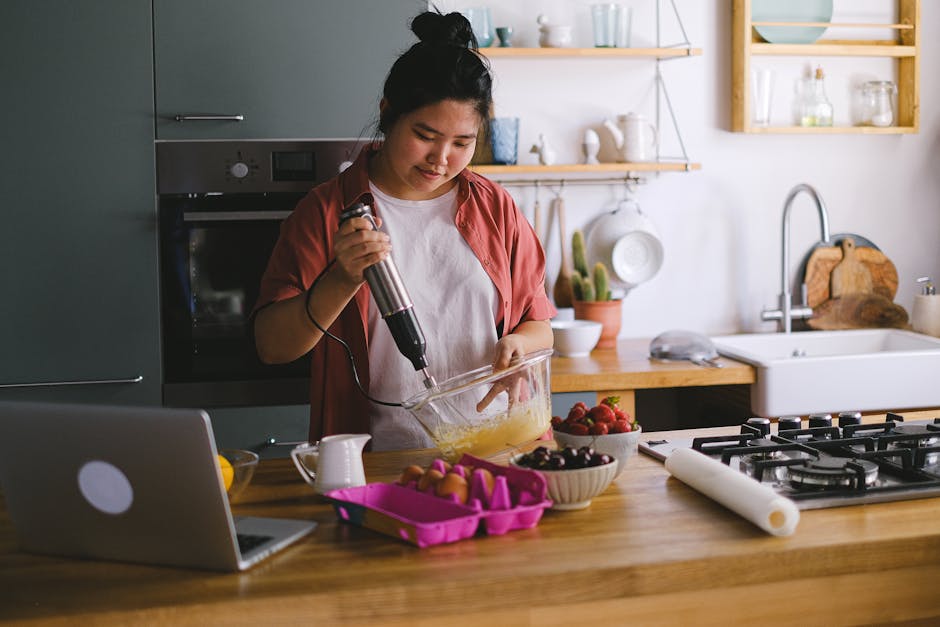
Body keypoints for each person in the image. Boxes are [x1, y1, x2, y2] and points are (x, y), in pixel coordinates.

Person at [253, 10, 555, 450]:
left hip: (501, 447)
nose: (441, 158)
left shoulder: (496, 209)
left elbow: (539, 324)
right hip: (381, 460)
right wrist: (341, 277)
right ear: (388, 113)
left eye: (462, 143)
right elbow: (272, 347)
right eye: (424, 134)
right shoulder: (324, 212)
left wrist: (520, 345)